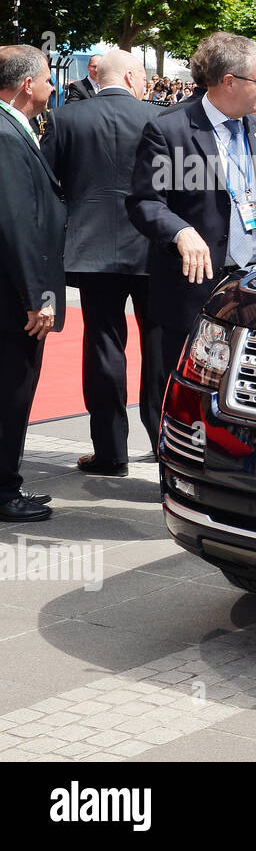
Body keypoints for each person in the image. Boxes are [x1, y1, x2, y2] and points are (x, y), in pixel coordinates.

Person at [127, 33, 256, 407]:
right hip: (195, 283)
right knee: (180, 390)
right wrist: (180, 231)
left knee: (253, 388)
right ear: (230, 81)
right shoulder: (170, 129)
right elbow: (146, 202)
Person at [40, 49, 163, 474]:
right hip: (155, 247)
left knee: (103, 346)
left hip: (93, 250)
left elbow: (47, 183)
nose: (147, 83)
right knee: (159, 348)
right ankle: (166, 446)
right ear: (131, 76)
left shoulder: (67, 119)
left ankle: (111, 452)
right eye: (144, 75)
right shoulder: (161, 117)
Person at [0, 45, 65, 521]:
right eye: (46, 79)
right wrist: (36, 298)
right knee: (12, 389)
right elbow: (17, 223)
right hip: (13, 298)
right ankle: (4, 491)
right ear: (27, 85)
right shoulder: (5, 134)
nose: (52, 87)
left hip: (15, 291)